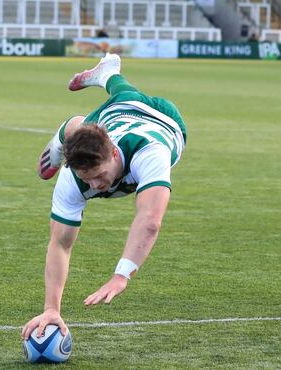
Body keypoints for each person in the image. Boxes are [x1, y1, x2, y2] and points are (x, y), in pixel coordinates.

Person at [22, 53, 187, 339]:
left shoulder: (150, 153)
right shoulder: (73, 179)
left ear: (112, 153)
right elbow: (60, 244)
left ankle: (77, 115)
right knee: (94, 119)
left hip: (162, 118)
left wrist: (121, 275)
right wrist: (51, 308)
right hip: (110, 115)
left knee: (125, 97)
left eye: (99, 174)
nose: (97, 185)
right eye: (88, 178)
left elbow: (149, 220)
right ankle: (75, 121)